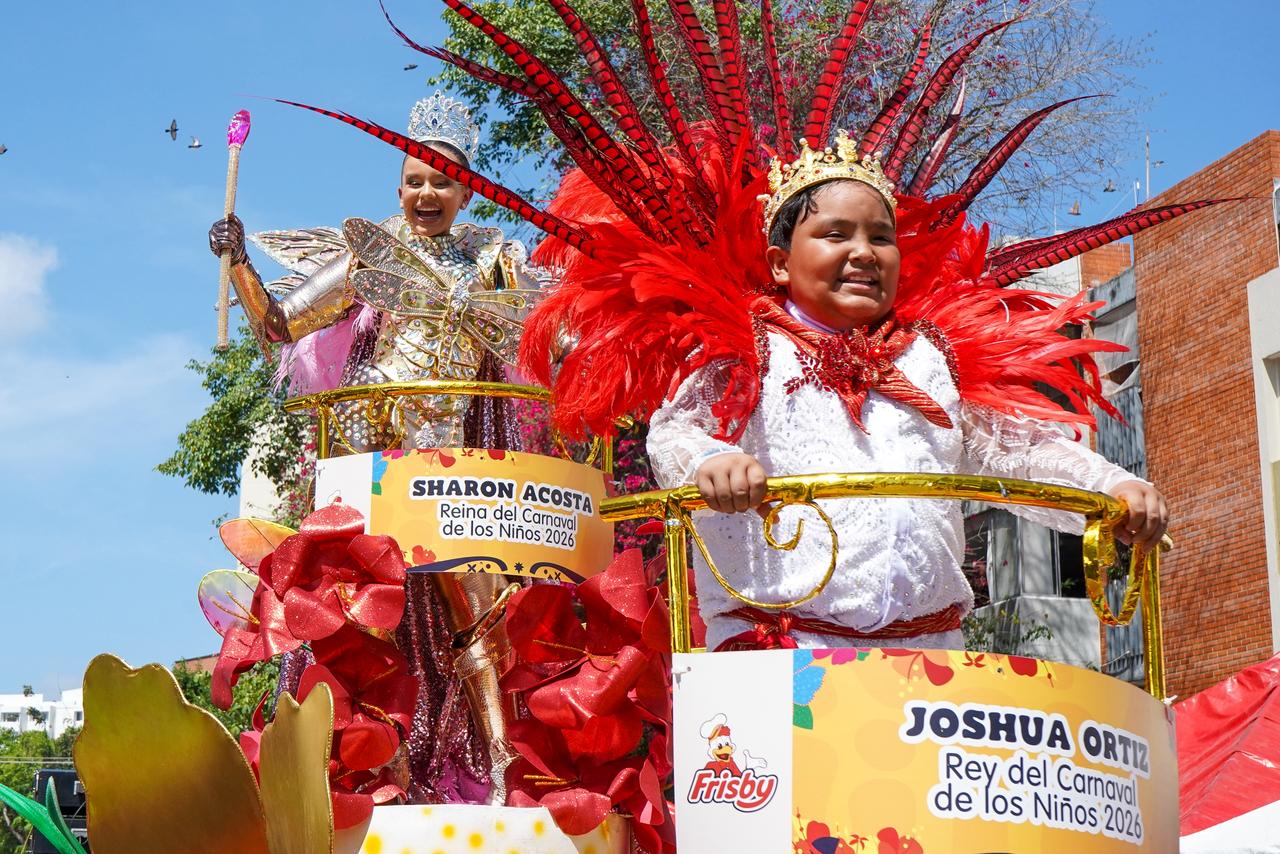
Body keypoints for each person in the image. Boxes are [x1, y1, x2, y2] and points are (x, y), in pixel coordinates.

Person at [645, 136, 1168, 651]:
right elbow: (674, 436)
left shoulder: (930, 357)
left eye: (880, 237)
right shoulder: (744, 348)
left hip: (927, 660)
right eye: (835, 234)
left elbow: (1016, 450)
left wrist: (1113, 487)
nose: (863, 253)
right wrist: (713, 460)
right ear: (781, 263)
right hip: (779, 655)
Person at [208, 91, 550, 453]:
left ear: (466, 196)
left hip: (459, 430)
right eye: (415, 183)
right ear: (400, 193)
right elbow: (279, 326)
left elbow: (553, 332)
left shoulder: (492, 258)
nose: (427, 194)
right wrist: (240, 261)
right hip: (373, 413)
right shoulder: (378, 252)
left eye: (443, 182)